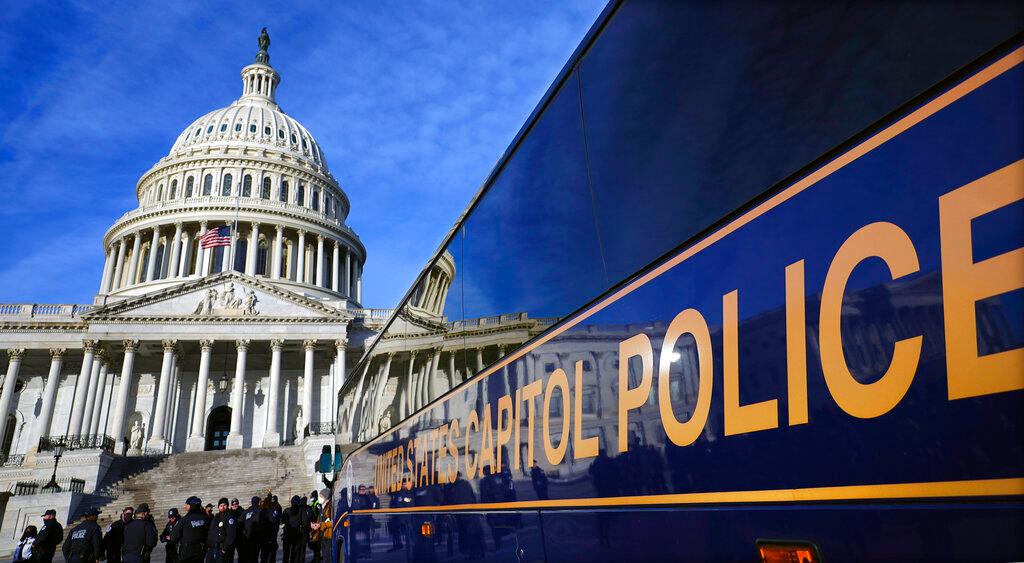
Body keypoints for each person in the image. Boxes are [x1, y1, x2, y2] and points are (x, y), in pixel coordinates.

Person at [172, 496, 210, 563]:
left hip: (186, 553)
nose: (185, 507)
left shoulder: (184, 520)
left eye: (187, 505)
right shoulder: (205, 518)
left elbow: (174, 537)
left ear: (191, 506)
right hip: (200, 552)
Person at [387, 477, 414, 552]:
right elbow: (388, 491)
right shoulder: (397, 492)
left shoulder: (410, 491)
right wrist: (396, 484)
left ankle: (410, 546)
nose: (404, 485)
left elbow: (411, 502)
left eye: (405, 484)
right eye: (403, 484)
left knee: (408, 532)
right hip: (396, 515)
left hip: (407, 516)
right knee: (394, 530)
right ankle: (397, 544)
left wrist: (403, 499)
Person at [207, 497, 237, 563]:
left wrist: (224, 549)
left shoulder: (230, 517)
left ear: (227, 506)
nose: (222, 507)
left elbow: (231, 535)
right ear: (218, 507)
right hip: (212, 548)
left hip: (222, 550)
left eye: (224, 505)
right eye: (221, 505)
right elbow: (211, 531)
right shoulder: (216, 516)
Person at [281, 495, 309, 563]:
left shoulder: (286, 510)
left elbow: (282, 521)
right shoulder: (301, 511)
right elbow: (304, 522)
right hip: (296, 535)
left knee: (286, 554)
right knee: (295, 554)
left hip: (287, 534)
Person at [241, 496, 262, 563]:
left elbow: (240, 522)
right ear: (258, 502)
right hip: (257, 537)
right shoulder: (261, 511)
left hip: (247, 537)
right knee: (254, 556)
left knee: (247, 556)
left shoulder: (246, 511)